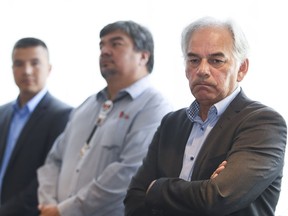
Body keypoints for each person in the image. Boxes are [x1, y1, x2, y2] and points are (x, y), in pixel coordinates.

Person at [124, 16, 287, 216]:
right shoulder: (171, 123)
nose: (202, 70)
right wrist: (203, 189)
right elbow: (133, 200)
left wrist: (156, 188)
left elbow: (218, 198)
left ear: (242, 69)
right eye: (193, 60)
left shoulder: (263, 123)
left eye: (216, 61)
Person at [37, 20, 173, 216]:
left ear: (143, 56)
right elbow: (54, 160)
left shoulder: (154, 107)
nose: (105, 51)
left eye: (116, 44)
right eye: (102, 45)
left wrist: (64, 210)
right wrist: (48, 204)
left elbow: (129, 173)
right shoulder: (86, 105)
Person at [0, 37, 72, 216]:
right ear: (12, 69)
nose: (27, 71)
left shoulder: (63, 115)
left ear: (48, 69)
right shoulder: (2, 113)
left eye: (35, 63)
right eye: (19, 64)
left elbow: (49, 178)